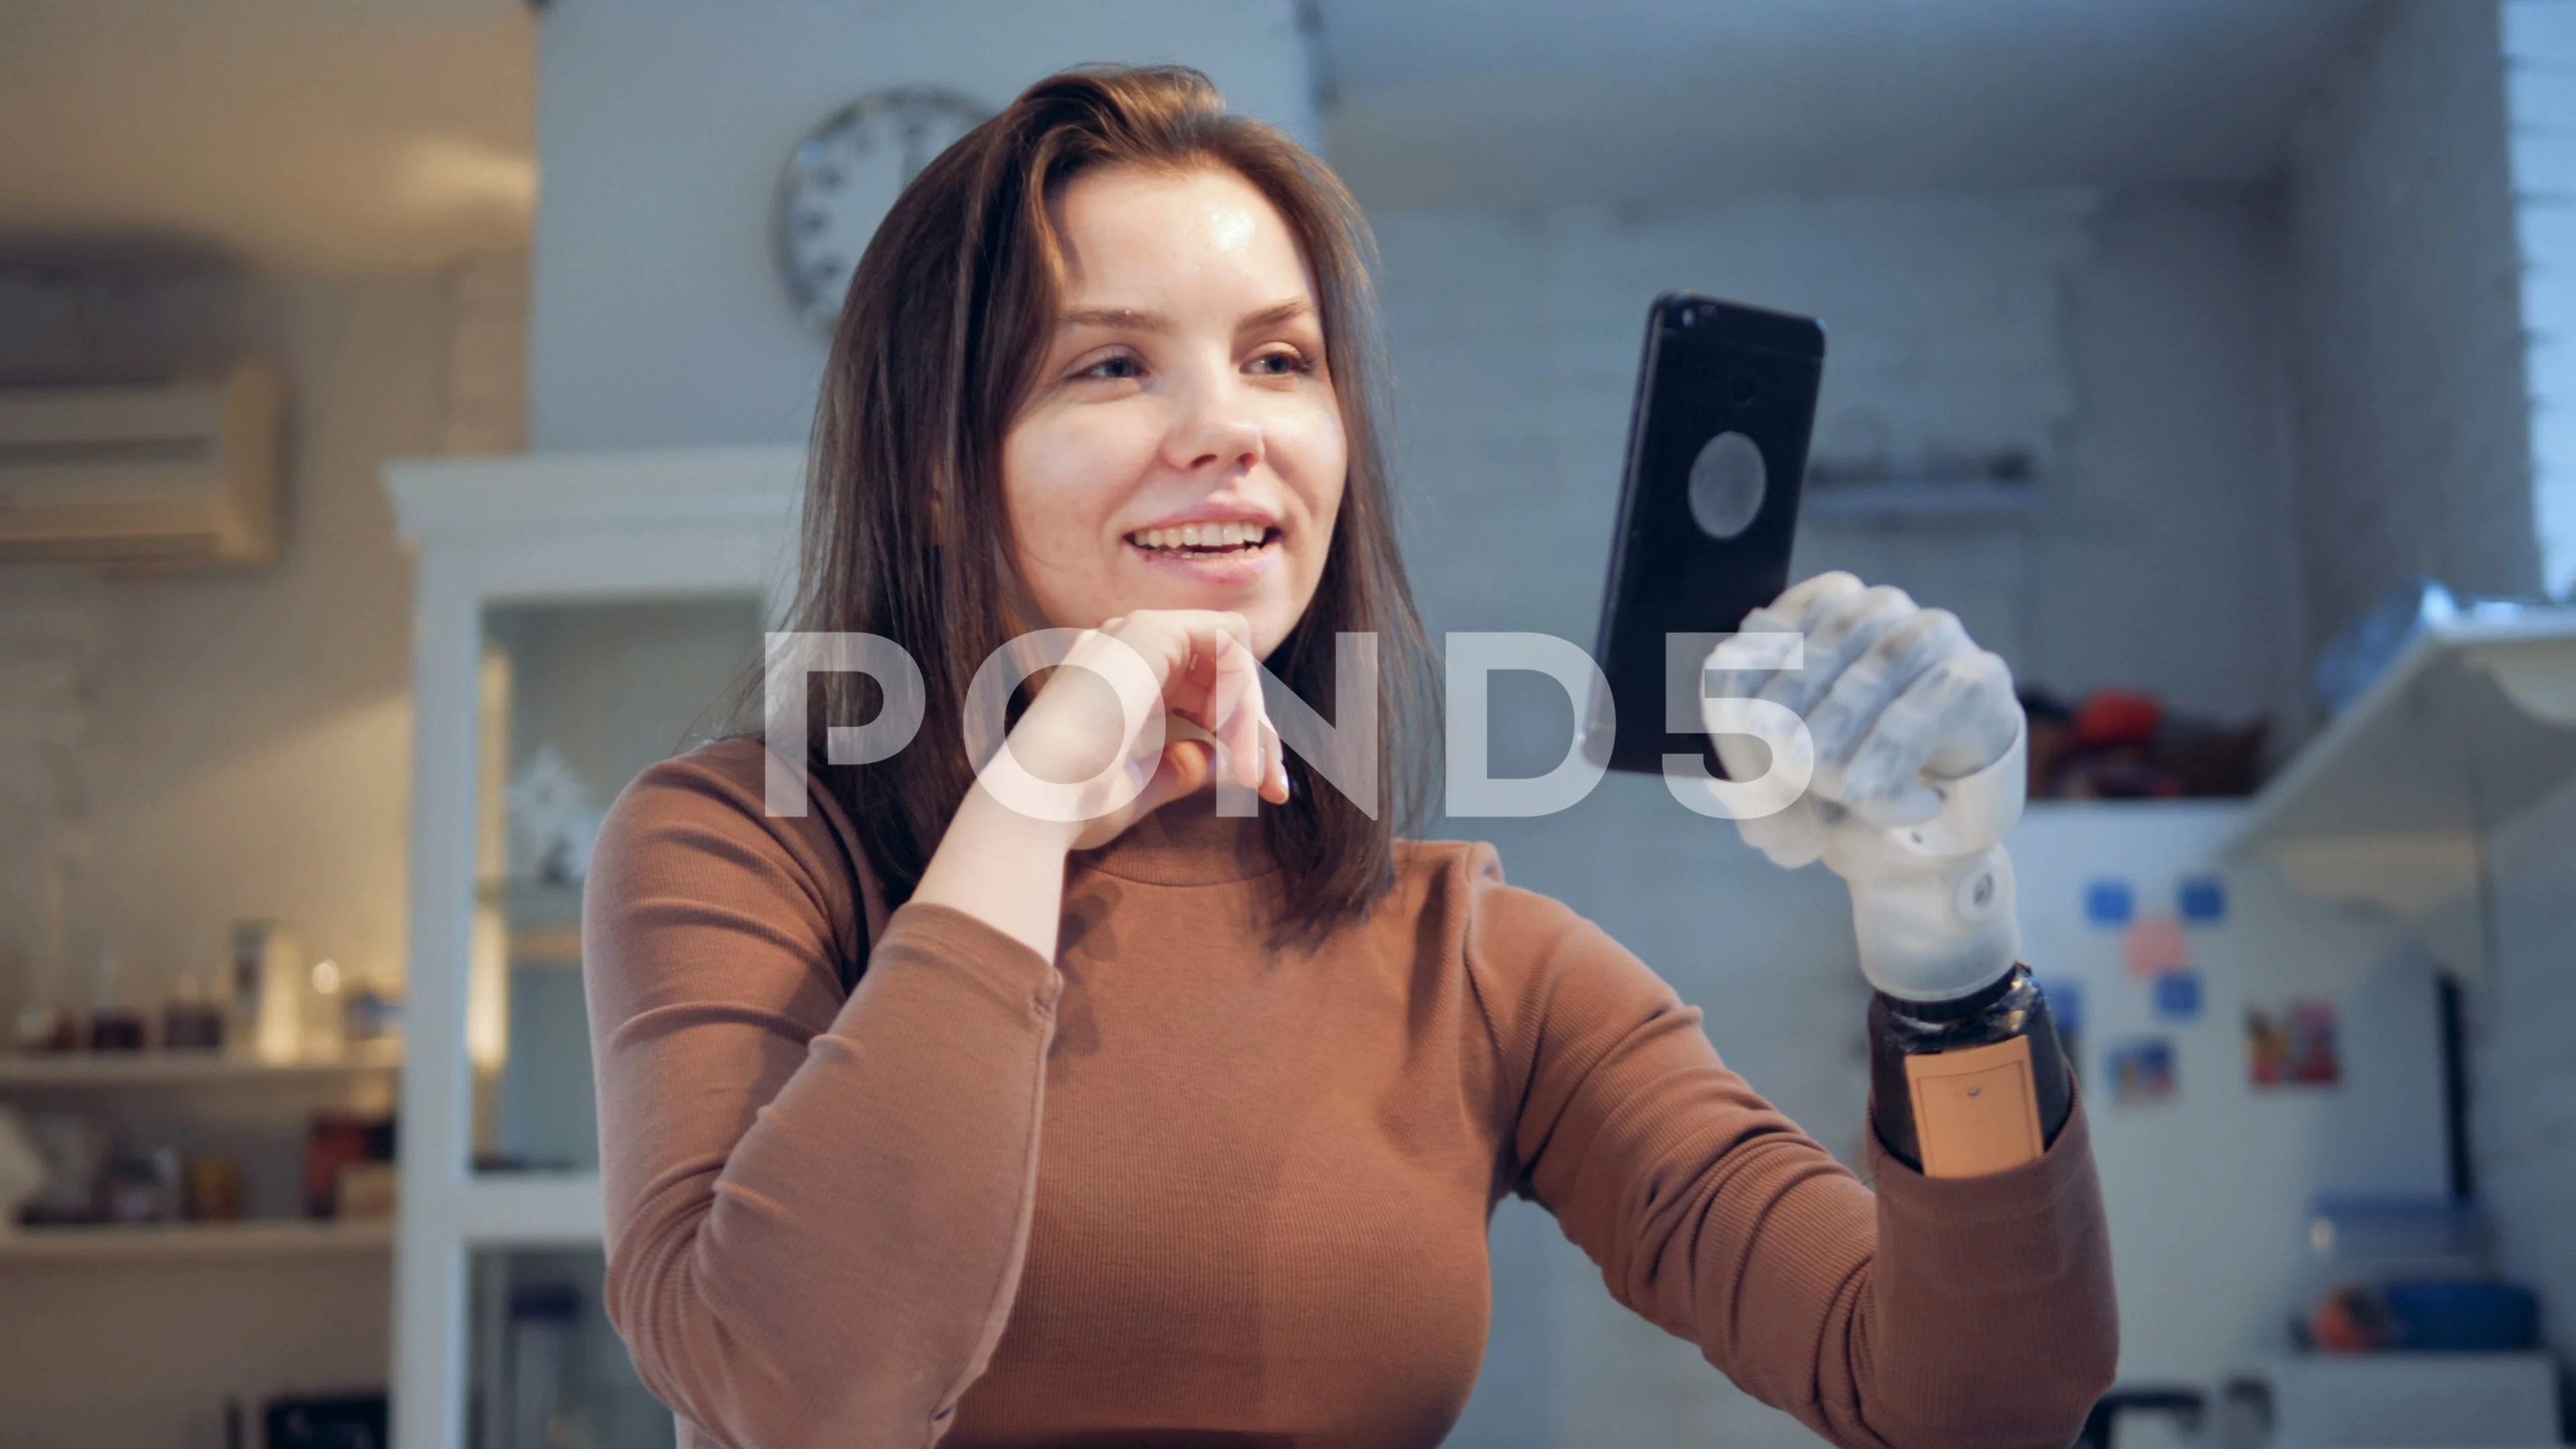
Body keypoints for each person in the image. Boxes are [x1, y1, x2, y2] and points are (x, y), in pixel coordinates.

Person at [582, 64, 2117, 1449]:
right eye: (1113, 367)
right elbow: (809, 1390)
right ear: (931, 471)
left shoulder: (1473, 961)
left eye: (1279, 360)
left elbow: (1975, 1407)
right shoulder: (745, 850)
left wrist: (1948, 948)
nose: (1229, 431)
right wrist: (1028, 804)